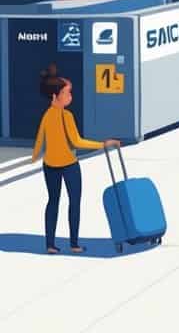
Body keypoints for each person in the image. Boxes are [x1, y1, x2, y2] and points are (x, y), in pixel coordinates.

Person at [31, 66, 120, 254]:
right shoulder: (67, 116)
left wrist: (34, 157)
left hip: (50, 165)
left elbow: (40, 138)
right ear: (55, 96)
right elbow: (76, 141)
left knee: (53, 201)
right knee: (74, 202)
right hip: (69, 165)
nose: (70, 96)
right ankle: (74, 243)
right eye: (67, 93)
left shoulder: (46, 116)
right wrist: (103, 144)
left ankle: (50, 244)